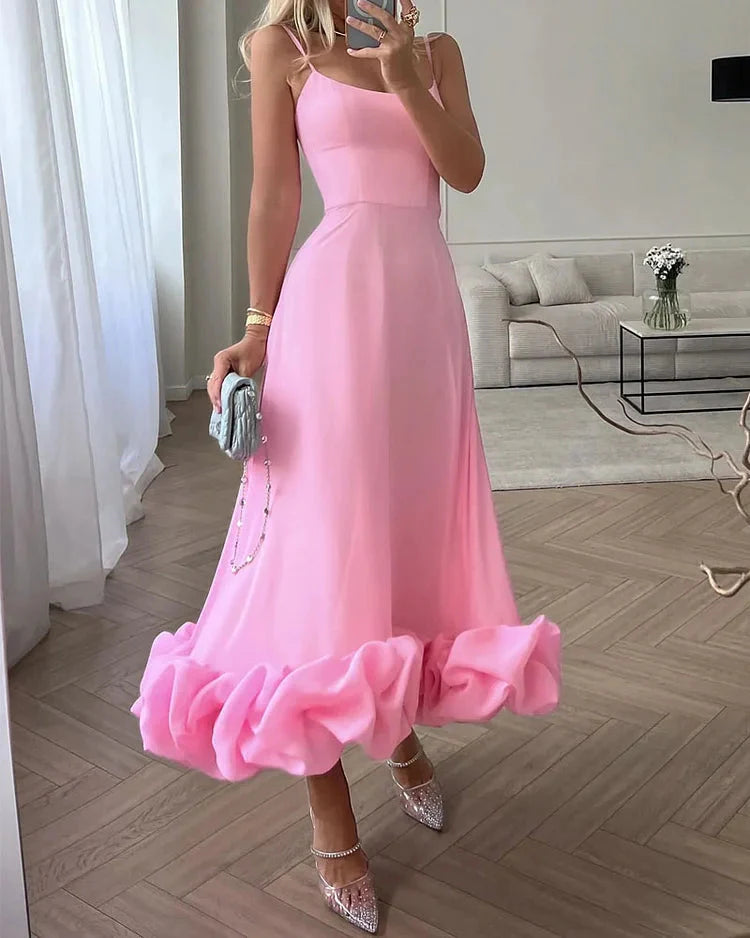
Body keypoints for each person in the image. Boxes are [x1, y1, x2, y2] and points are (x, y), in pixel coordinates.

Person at [131, 0, 561, 932]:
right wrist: (258, 326)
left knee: (402, 541)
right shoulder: (280, 44)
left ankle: (395, 732)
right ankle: (329, 808)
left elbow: (466, 170)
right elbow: (275, 196)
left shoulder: (436, 49)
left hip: (423, 318)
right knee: (321, 552)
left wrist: (408, 77)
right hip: (329, 313)